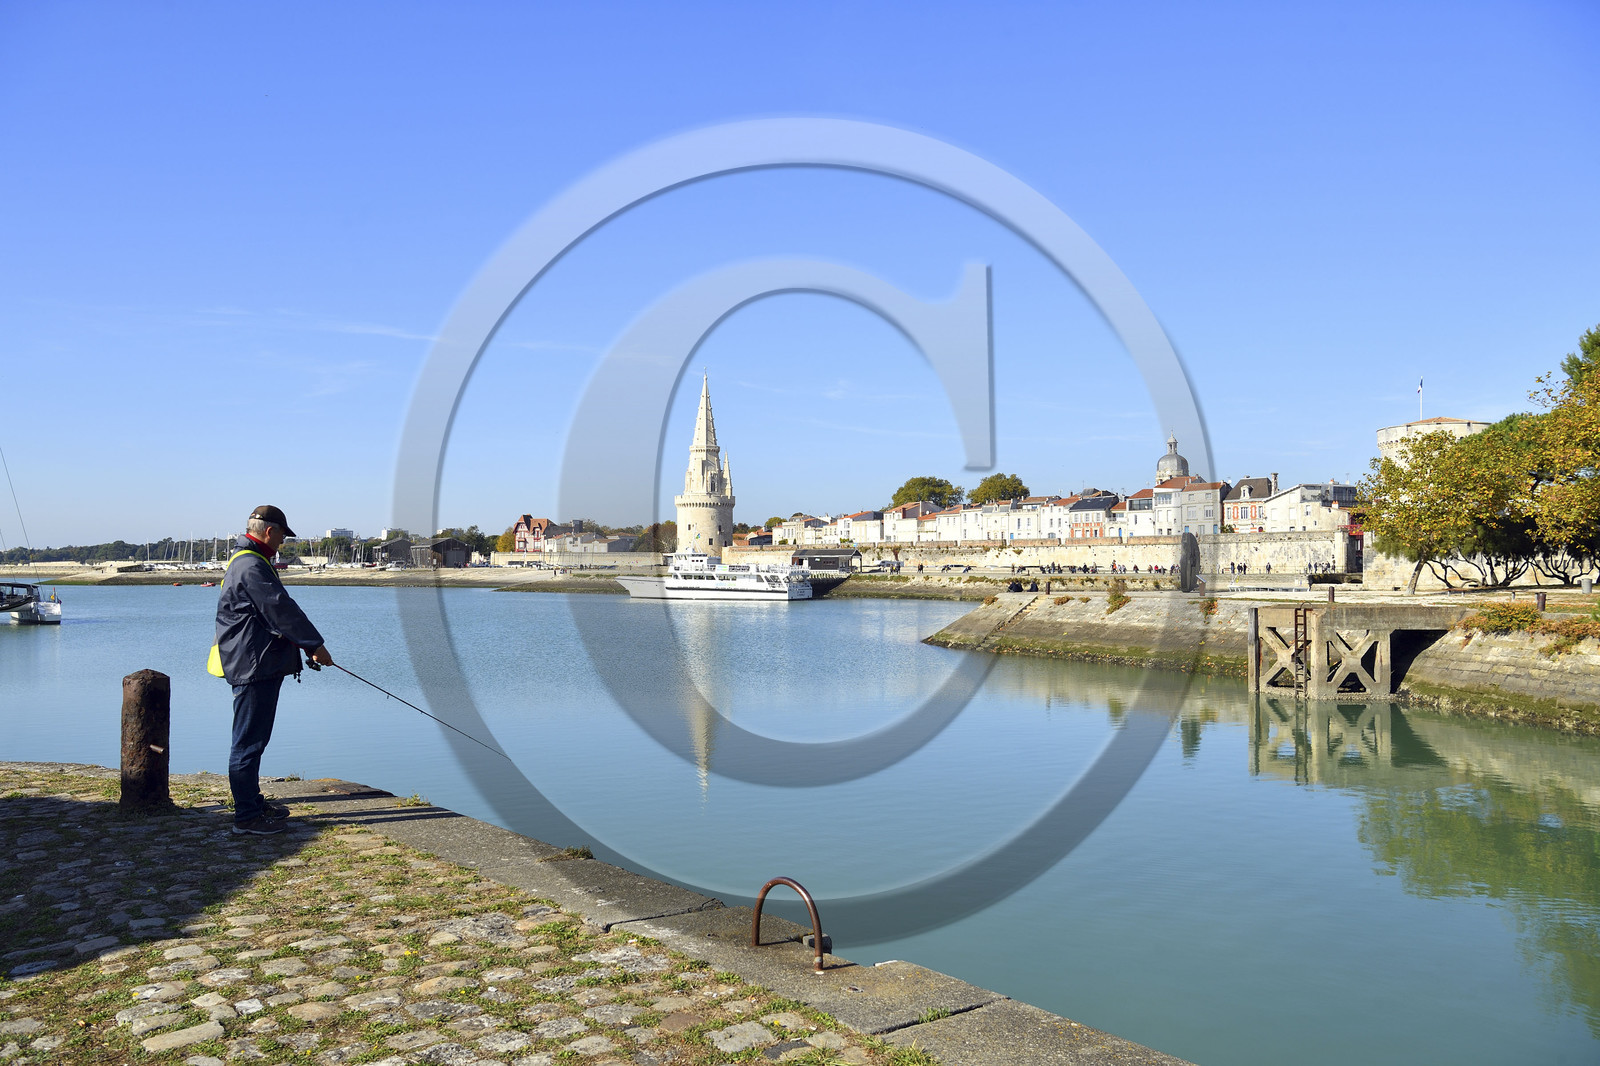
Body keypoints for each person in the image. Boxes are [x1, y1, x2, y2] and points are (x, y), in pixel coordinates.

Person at [214, 505, 334, 835]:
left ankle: (252, 803)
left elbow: (270, 617)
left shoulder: (250, 560)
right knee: (248, 743)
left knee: (253, 741)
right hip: (253, 665)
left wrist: (303, 646)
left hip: (256, 660)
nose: (283, 541)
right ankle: (247, 818)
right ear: (269, 532)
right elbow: (280, 609)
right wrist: (313, 644)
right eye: (282, 534)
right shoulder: (251, 564)